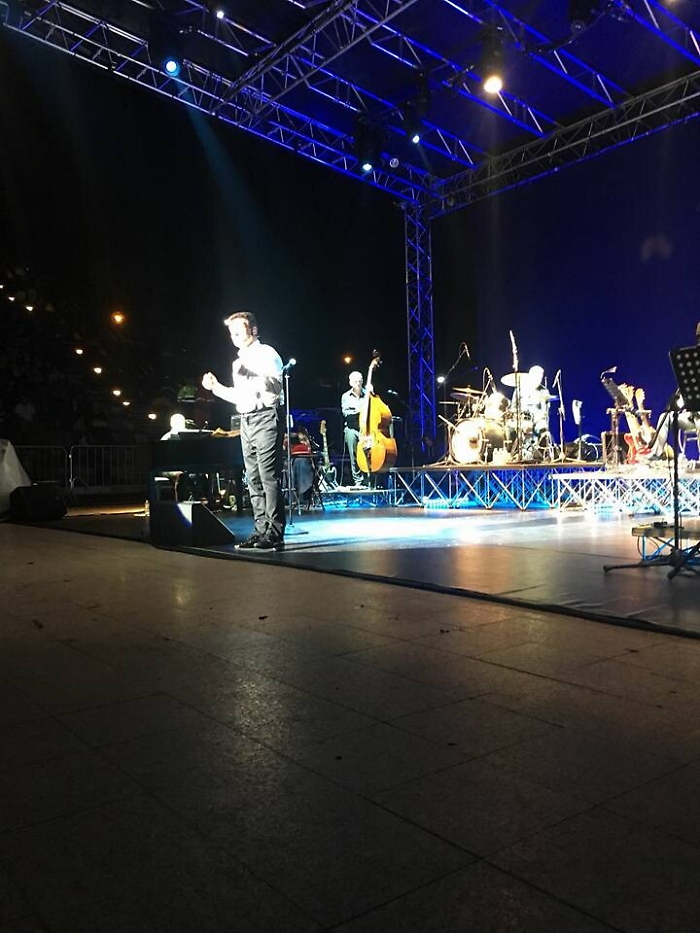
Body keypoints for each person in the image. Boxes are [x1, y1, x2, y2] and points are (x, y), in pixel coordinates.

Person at [202, 311, 285, 550]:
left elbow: (276, 385)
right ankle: (260, 530)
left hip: (266, 416)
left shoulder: (267, 353)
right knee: (253, 477)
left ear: (254, 330)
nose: (235, 335)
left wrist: (251, 375)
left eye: (239, 330)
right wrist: (216, 387)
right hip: (246, 419)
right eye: (232, 332)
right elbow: (239, 395)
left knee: (268, 476)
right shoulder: (237, 362)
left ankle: (274, 532)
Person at [341, 370, 368, 487]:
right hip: (352, 428)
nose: (358, 383)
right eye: (356, 381)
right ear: (351, 383)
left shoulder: (368, 394)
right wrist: (360, 411)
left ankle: (370, 478)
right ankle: (358, 480)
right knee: (354, 451)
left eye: (360, 380)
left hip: (367, 429)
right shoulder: (346, 396)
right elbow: (346, 413)